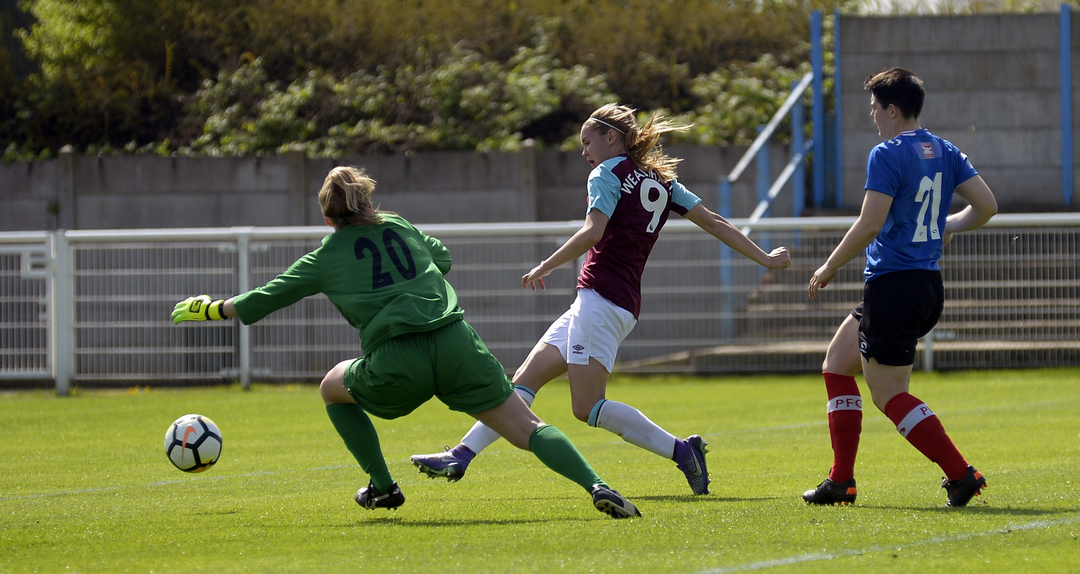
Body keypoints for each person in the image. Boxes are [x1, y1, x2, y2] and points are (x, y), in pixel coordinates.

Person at [170, 166, 641, 519]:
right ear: (368, 202)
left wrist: (211, 307)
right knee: (528, 425)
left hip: (397, 359)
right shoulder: (397, 224)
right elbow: (442, 257)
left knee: (332, 385)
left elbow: (261, 300)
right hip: (456, 343)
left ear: (329, 217)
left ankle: (382, 486)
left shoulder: (325, 255)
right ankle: (598, 485)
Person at [411, 103, 791, 495]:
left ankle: (682, 451)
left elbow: (593, 231)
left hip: (602, 300)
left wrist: (546, 264)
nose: (583, 151)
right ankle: (461, 454)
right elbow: (715, 222)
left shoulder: (605, 173)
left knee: (586, 407)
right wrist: (764, 257)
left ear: (611, 137)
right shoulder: (660, 181)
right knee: (523, 382)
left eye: (586, 141)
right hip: (604, 301)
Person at [802, 67, 998, 508]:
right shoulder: (945, 149)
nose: (872, 115)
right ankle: (840, 481)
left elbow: (870, 223)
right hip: (925, 284)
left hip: (894, 286)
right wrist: (948, 224)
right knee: (837, 364)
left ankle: (961, 475)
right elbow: (987, 205)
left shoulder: (887, 152)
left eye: (874, 107)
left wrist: (830, 265)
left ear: (892, 108)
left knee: (890, 395)